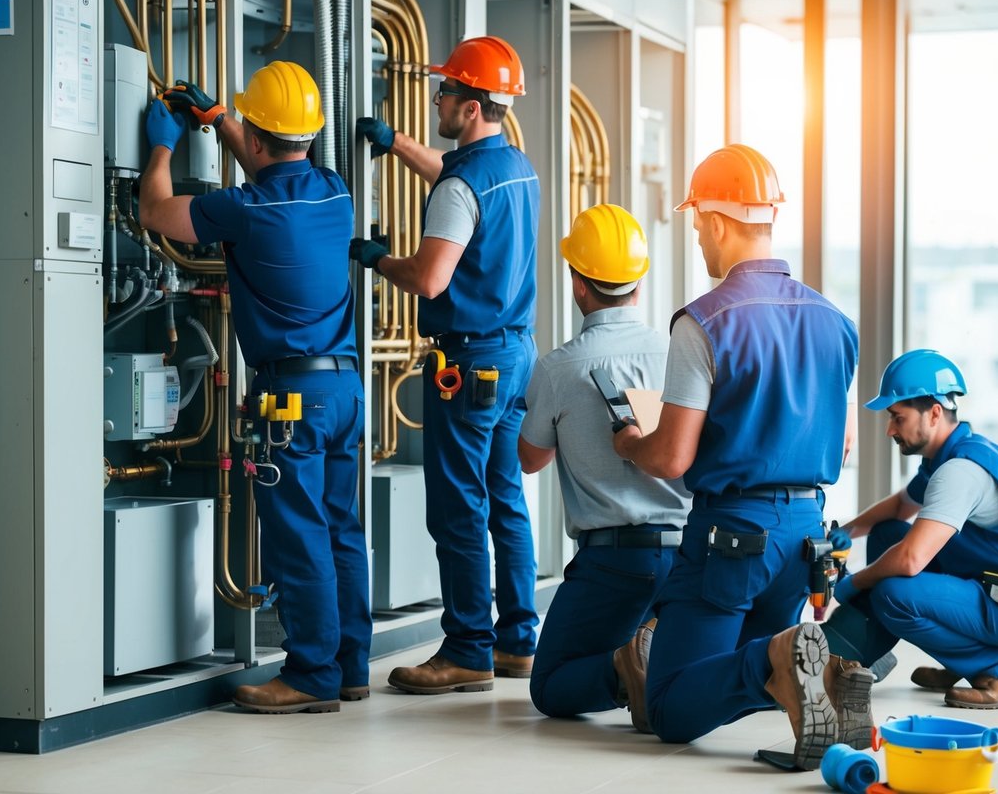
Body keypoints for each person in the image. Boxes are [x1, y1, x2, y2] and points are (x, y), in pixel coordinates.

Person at [610, 144, 869, 771]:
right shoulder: (835, 321)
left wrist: (630, 442)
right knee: (733, 674)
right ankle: (817, 669)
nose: (699, 238)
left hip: (732, 536)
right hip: (806, 536)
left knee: (670, 709)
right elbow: (844, 443)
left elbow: (672, 457)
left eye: (698, 224)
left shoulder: (702, 322)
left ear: (718, 221)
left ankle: (779, 659)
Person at [140, 62, 371, 713]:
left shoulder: (241, 209)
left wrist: (162, 145)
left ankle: (311, 675)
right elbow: (273, 164)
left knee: (298, 536)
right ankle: (349, 667)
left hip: (292, 399)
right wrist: (221, 122)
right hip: (346, 391)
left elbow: (156, 211)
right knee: (339, 529)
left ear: (260, 137)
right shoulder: (334, 191)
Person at [352, 36, 541, 693]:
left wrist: (377, 258)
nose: (438, 98)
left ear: (471, 106)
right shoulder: (515, 165)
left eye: (446, 91)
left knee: (458, 509)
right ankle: (517, 642)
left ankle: (465, 651)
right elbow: (457, 179)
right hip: (514, 355)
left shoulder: (462, 186)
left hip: (469, 363)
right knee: (505, 501)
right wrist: (397, 144)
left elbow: (430, 279)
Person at [516, 204, 691, 730]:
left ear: (578, 284)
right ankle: (653, 662)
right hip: (686, 558)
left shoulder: (558, 367)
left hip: (612, 562)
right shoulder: (679, 355)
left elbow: (530, 460)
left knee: (550, 686)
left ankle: (624, 666)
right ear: (639, 283)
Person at [822, 349, 998, 710]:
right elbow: (900, 507)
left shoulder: (959, 471)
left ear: (934, 413)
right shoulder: (947, 457)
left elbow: (910, 560)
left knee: (892, 594)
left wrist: (854, 583)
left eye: (898, 417)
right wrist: (844, 531)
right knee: (887, 532)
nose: (890, 430)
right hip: (994, 585)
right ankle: (951, 659)